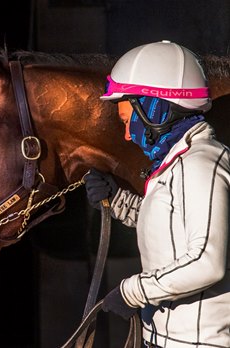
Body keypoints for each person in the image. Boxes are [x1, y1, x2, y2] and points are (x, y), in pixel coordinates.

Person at [84, 40, 230, 347]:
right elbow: (174, 231)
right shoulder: (178, 162)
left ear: (156, 109)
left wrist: (131, 292)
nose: (126, 135)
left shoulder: (200, 164)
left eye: (128, 122)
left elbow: (206, 261)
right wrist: (117, 200)